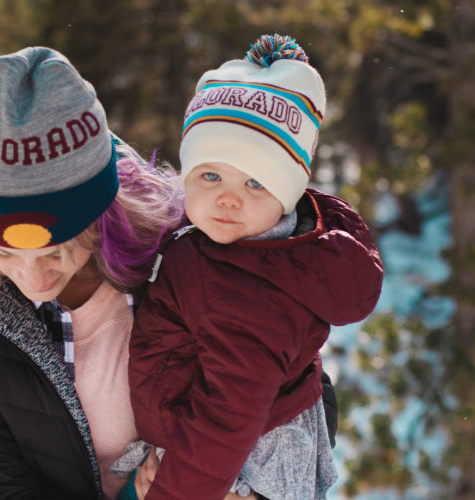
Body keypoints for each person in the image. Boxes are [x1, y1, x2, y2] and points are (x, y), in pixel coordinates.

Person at [0, 46, 187, 499]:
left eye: (59, 250)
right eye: (3, 253)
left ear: (101, 216)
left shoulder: (186, 252)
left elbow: (296, 389)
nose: (35, 281)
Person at [124, 34, 385, 500]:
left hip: (235, 470)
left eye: (255, 182)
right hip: (214, 457)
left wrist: (173, 493)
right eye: (210, 175)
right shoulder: (245, 247)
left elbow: (228, 416)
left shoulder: (246, 287)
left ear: (287, 194)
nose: (228, 196)